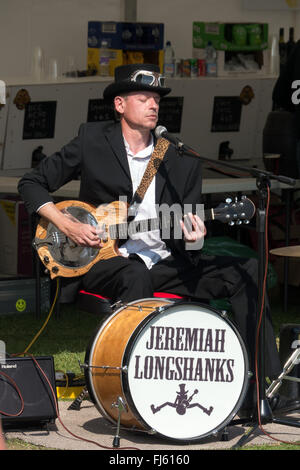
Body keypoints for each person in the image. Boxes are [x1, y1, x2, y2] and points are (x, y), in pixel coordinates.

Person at [18, 63, 283, 415]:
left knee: (247, 268)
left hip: (163, 262)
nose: (153, 104)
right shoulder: (92, 139)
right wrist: (66, 224)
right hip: (104, 259)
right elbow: (31, 183)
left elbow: (188, 239)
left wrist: (196, 237)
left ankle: (264, 386)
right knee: (134, 275)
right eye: (143, 97)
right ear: (120, 105)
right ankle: (136, 390)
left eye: (157, 99)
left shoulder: (180, 157)